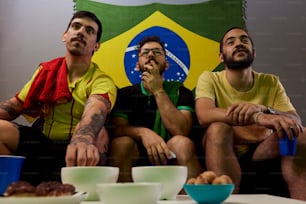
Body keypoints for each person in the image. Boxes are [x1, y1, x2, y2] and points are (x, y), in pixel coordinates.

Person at [0, 11, 117, 184]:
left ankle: (79, 189)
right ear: (65, 36)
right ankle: (11, 189)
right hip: (42, 144)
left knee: (96, 135)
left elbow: (94, 112)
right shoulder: (46, 70)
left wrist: (82, 139)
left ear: (96, 46)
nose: (81, 32)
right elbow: (14, 105)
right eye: (76, 26)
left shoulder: (102, 81)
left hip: (75, 151)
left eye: (89, 31)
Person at [195, 27, 306, 200]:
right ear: (221, 56)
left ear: (254, 52)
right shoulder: (210, 78)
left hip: (262, 148)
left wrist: (265, 109)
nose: (238, 43)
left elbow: (295, 119)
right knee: (218, 128)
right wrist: (257, 117)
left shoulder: (271, 81)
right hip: (225, 145)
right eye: (231, 42)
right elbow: (204, 114)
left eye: (244, 40)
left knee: (300, 133)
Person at [109, 36, 202, 182]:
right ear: (137, 65)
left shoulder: (181, 91)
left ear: (167, 64)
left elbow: (181, 130)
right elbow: (117, 129)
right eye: (145, 53)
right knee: (121, 143)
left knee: (182, 143)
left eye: (157, 52)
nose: (151, 55)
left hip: (170, 153)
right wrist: (143, 133)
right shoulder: (125, 94)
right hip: (137, 152)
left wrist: (158, 90)